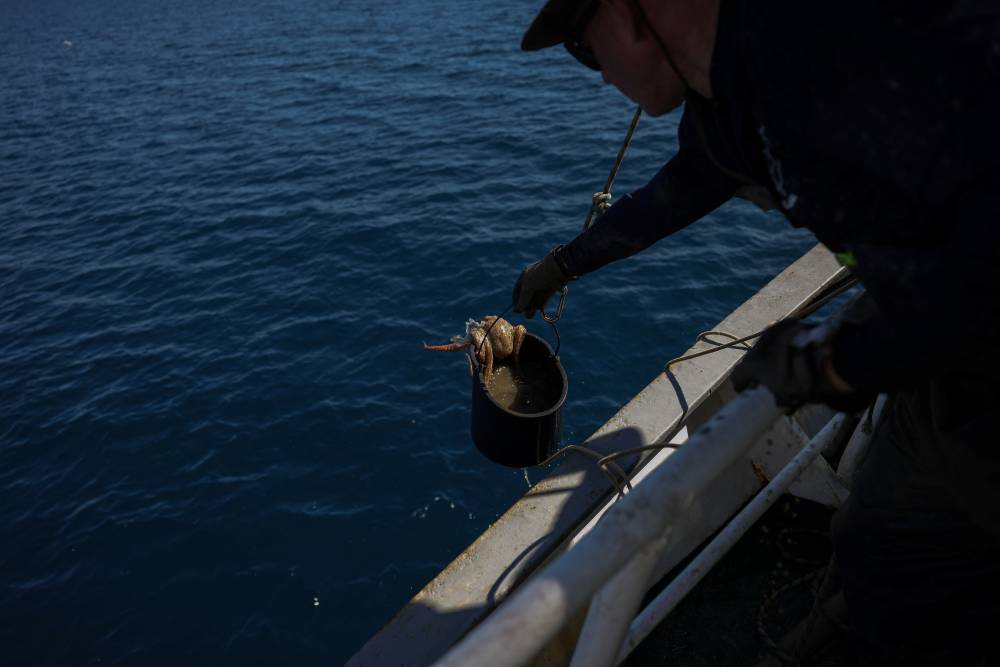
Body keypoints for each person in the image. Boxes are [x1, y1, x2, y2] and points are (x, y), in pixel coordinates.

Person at [512, 0, 1000, 664]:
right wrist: (565, 263)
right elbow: (674, 195)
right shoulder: (733, 103)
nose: (597, 74)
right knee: (875, 542)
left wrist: (835, 364)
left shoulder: (852, 43)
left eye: (583, 44)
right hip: (936, 359)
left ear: (631, 12)